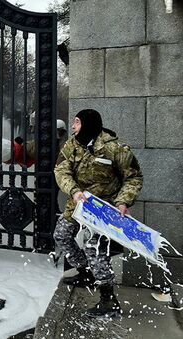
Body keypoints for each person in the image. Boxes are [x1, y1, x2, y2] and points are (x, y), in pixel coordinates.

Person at [53, 109, 143, 318]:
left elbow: (134, 177)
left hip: (104, 209)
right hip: (78, 204)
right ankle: (85, 272)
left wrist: (123, 202)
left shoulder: (115, 149)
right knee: (61, 235)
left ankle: (108, 300)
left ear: (88, 124)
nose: (73, 127)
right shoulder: (71, 145)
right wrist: (74, 191)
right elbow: (61, 170)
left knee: (95, 249)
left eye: (76, 122)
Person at [4, 119, 68, 168]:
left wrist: (22, 145)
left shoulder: (64, 144)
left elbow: (33, 150)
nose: (59, 134)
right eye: (58, 131)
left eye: (61, 132)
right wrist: (22, 144)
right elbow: (32, 148)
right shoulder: (43, 141)